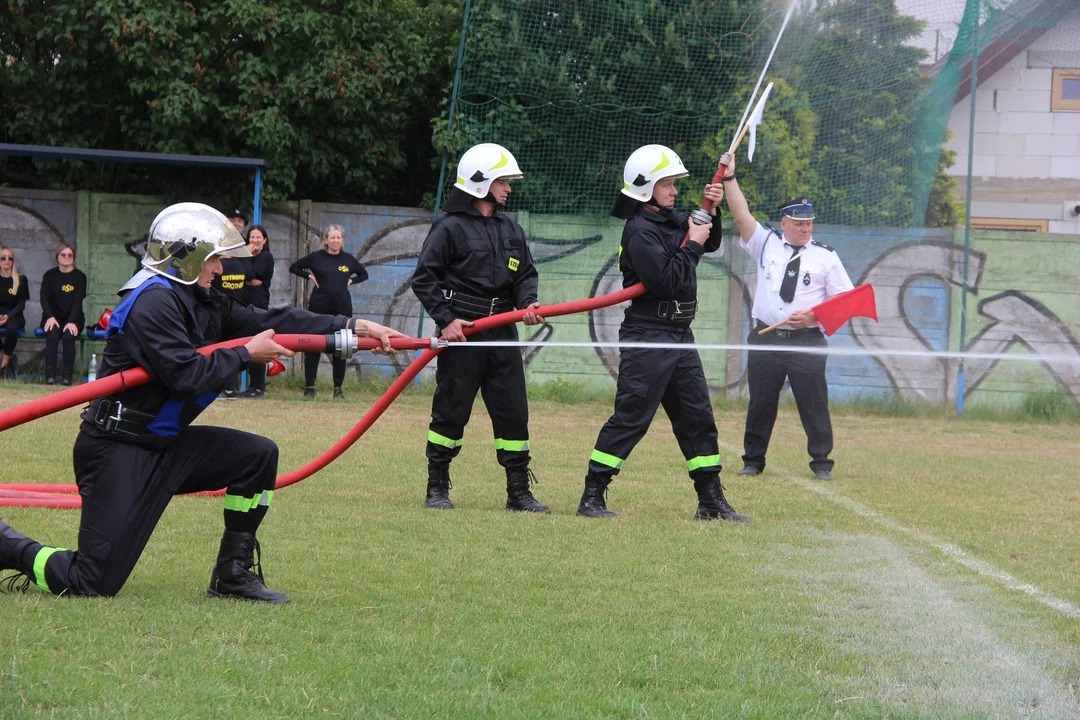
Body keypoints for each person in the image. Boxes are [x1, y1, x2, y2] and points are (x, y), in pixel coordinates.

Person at [0, 203, 404, 602]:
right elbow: (185, 376)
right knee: (92, 581)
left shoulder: (202, 299)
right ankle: (7, 545)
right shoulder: (152, 303)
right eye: (214, 259)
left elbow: (271, 320)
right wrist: (246, 355)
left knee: (257, 456)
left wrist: (351, 325)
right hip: (117, 450)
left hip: (164, 443)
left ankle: (232, 575)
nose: (221, 269)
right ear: (187, 259)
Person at [576, 145, 749, 522]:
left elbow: (710, 240)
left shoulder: (672, 220)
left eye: (674, 184)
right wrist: (693, 242)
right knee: (633, 416)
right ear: (645, 188)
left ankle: (710, 501)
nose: (674, 191)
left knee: (697, 416)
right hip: (648, 334)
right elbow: (668, 280)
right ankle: (592, 496)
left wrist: (713, 211)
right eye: (667, 184)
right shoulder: (639, 232)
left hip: (679, 335)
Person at [411, 142, 548, 514]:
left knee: (513, 411)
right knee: (451, 411)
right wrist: (446, 319)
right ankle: (436, 485)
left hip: (504, 331)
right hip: (464, 333)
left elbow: (525, 276)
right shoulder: (449, 228)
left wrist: (528, 304)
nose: (509, 188)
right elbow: (424, 278)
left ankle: (518, 492)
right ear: (481, 183)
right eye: (503, 181)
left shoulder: (511, 228)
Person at [720, 152, 854, 481]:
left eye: (809, 223)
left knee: (814, 402)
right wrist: (729, 179)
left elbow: (844, 299)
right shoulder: (766, 243)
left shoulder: (825, 256)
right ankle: (753, 460)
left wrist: (813, 317)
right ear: (784, 223)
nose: (805, 228)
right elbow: (741, 215)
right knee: (761, 402)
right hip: (767, 336)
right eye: (799, 223)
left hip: (806, 340)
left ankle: (822, 462)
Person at [289, 225, 367, 399]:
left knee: (341, 348)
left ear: (342, 240)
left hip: (342, 310)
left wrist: (351, 281)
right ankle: (310, 387)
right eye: (332, 238)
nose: (336, 241)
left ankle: (338, 389)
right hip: (318, 308)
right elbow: (294, 267)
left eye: (339, 238)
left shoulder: (348, 260)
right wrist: (309, 276)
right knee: (313, 346)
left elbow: (364, 274)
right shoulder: (316, 257)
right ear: (326, 240)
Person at [212, 221, 251, 400]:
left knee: (220, 351)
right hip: (238, 309)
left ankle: (223, 388)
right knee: (235, 350)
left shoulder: (220, 267)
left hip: (219, 311)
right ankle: (231, 388)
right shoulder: (239, 266)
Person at [39, 243, 88, 385]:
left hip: (73, 318)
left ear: (74, 258)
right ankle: (50, 375)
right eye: (63, 255)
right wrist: (50, 317)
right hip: (52, 317)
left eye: (70, 255)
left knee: (68, 336)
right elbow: (44, 299)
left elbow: (78, 301)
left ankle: (67, 376)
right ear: (57, 257)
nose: (66, 257)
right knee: (52, 334)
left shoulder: (80, 277)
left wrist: (72, 321)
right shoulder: (49, 276)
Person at [240, 225, 274, 399]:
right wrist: (247, 280)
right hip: (242, 306)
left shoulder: (266, 257)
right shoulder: (245, 257)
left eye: (258, 237)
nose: (254, 241)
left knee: (258, 345)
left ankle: (258, 387)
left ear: (265, 240)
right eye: (251, 237)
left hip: (258, 307)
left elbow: (249, 273)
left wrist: (246, 277)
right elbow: (243, 275)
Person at [0, 246, 30, 380]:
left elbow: (21, 304)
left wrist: (9, 316)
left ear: (13, 261)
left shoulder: (21, 279)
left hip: (15, 314)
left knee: (11, 329)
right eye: (3, 257)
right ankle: (9, 356)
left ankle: (3, 366)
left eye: (10, 258)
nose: (7, 260)